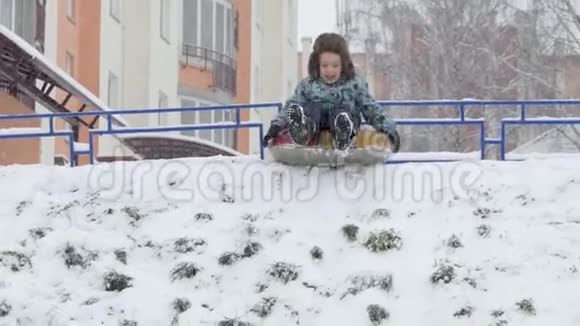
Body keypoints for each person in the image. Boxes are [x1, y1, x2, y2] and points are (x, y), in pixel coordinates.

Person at [263, 32, 400, 152]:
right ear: (317, 65)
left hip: (345, 122)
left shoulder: (354, 85)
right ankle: (303, 131)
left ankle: (344, 134)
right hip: (316, 128)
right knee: (311, 110)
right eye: (325, 66)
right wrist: (277, 125)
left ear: (343, 64)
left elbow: (371, 108)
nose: (330, 71)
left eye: (335, 65)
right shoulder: (308, 85)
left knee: (341, 114)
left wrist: (388, 128)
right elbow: (291, 106)